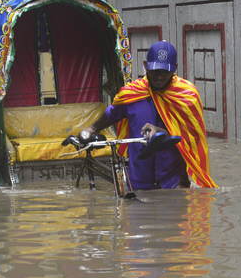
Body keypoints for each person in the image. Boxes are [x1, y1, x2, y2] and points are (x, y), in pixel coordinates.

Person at [75, 40, 216, 190]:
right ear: (145, 66)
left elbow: (193, 137)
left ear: (175, 68)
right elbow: (112, 114)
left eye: (164, 72)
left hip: (173, 180)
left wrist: (163, 133)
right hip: (138, 180)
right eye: (154, 71)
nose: (159, 77)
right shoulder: (132, 94)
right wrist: (90, 129)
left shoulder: (186, 96)